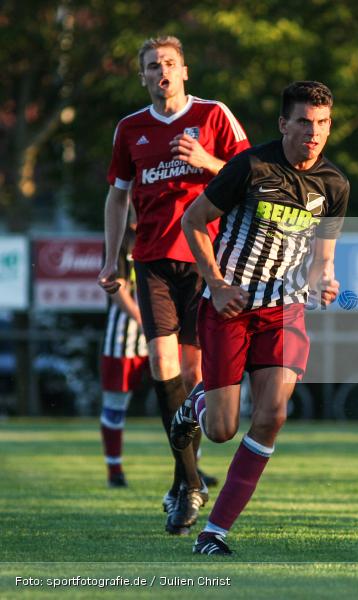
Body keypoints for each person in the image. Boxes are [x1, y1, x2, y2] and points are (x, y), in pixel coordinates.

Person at [170, 80, 347, 556]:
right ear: (284, 124)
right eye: (304, 122)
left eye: (322, 123)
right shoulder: (250, 167)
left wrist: (325, 281)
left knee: (272, 416)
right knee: (221, 430)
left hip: (284, 310)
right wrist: (215, 283)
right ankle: (194, 406)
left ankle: (213, 533)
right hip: (230, 307)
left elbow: (323, 259)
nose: (314, 132)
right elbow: (192, 220)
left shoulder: (335, 185)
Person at [96, 35, 250, 534]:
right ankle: (189, 483)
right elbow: (117, 197)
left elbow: (254, 176)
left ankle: (184, 482)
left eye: (168, 63)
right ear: (142, 76)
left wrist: (208, 163)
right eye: (151, 65)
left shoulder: (213, 115)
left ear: (184, 71)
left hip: (206, 262)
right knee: (162, 365)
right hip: (153, 261)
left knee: (191, 372)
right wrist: (111, 259)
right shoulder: (130, 129)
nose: (161, 71)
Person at [99, 220, 149, 487]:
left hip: (165, 329)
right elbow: (116, 286)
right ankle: (114, 470)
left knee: (180, 398)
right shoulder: (118, 237)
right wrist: (141, 318)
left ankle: (191, 469)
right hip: (124, 333)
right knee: (115, 403)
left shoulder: (165, 230)